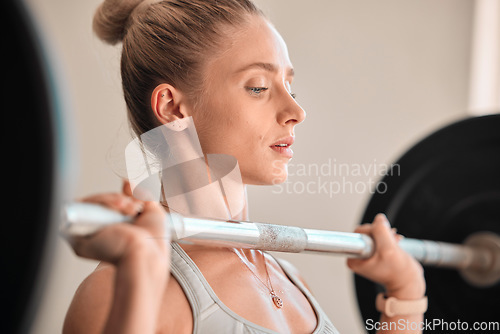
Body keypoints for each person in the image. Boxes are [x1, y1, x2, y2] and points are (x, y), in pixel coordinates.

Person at [63, 0, 426, 333]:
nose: (296, 112)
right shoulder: (115, 290)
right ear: (173, 108)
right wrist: (138, 279)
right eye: (258, 87)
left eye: (289, 87)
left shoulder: (289, 278)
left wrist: (405, 296)